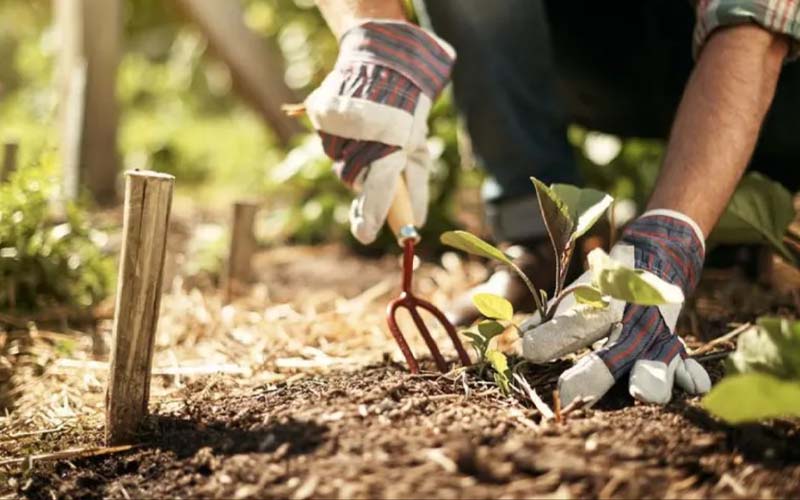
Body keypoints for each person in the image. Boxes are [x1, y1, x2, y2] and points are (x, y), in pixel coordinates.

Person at [305, 0, 799, 407]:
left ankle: (754, 214)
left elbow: (755, 30)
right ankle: (538, 237)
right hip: (601, 49)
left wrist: (670, 237)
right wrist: (373, 32)